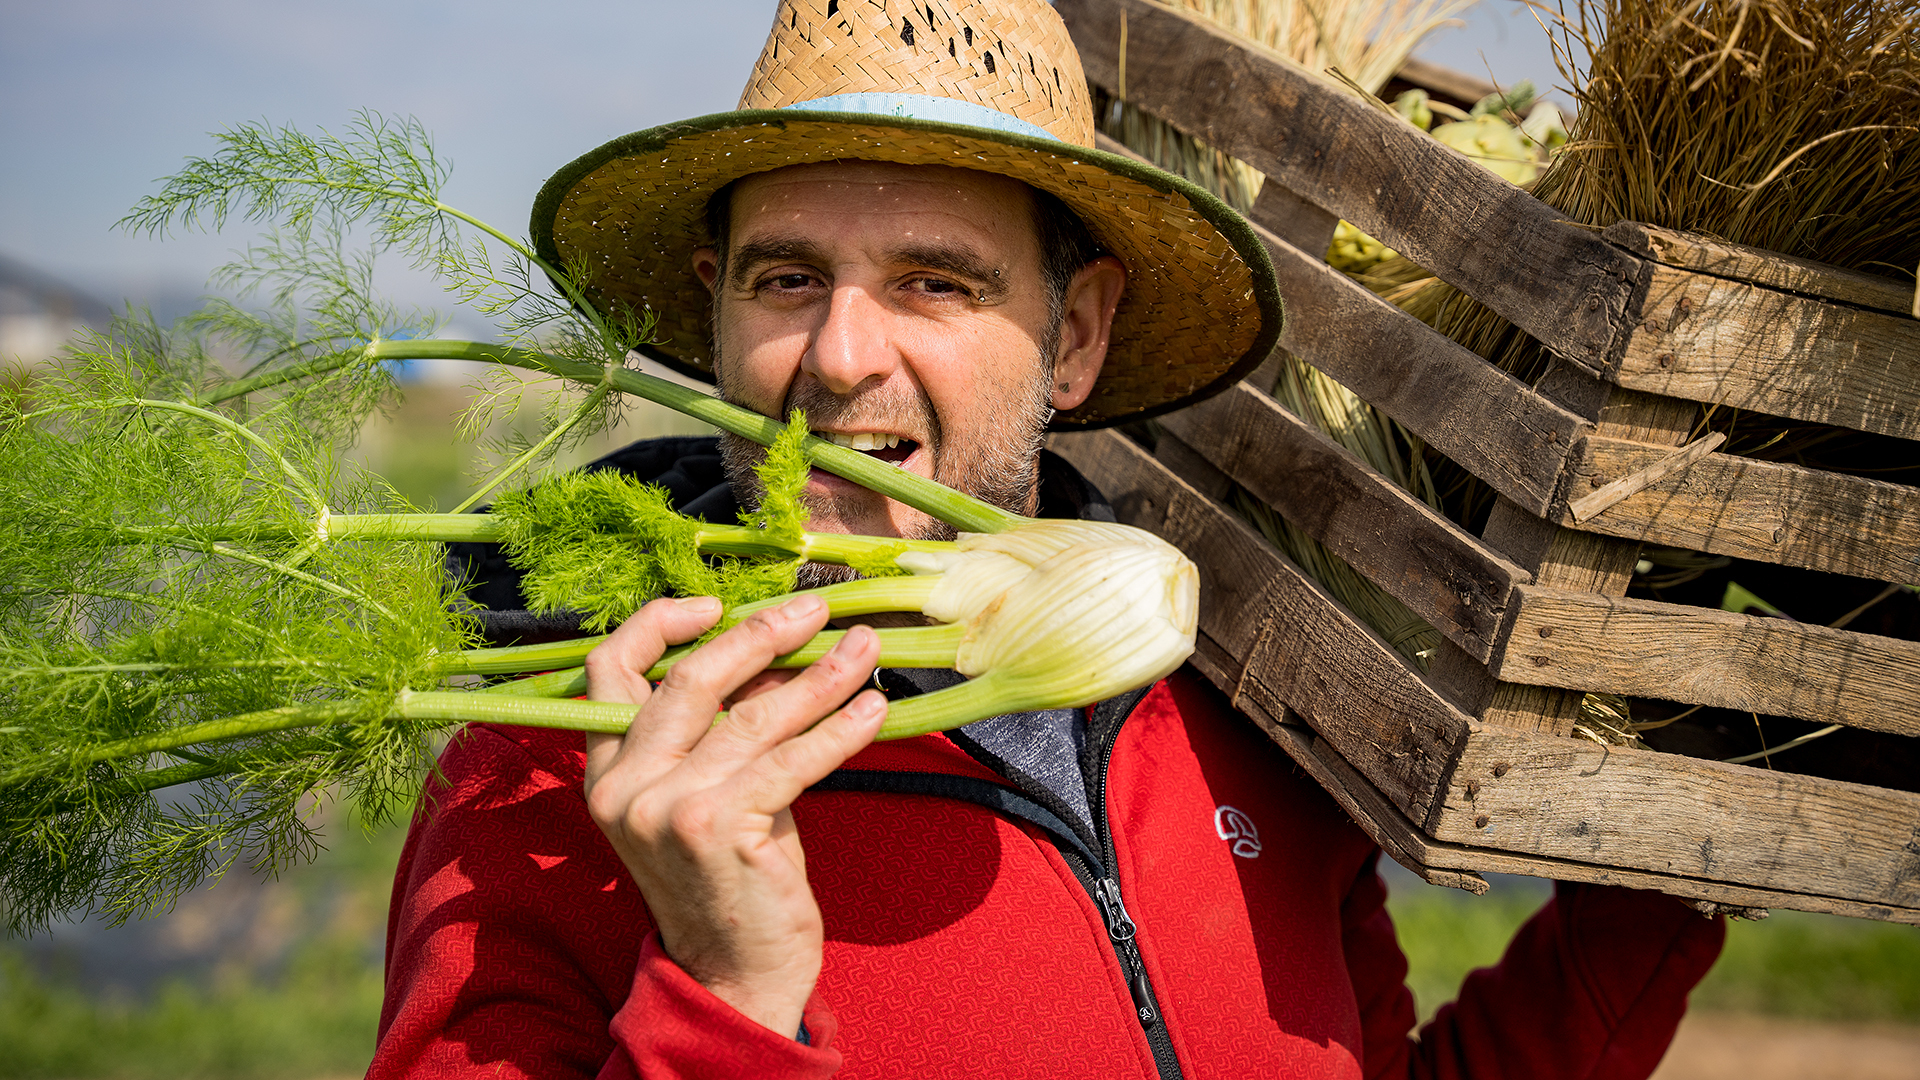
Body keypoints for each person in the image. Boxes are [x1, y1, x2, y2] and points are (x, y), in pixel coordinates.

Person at [369, 1, 1724, 1077]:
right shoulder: (559, 777)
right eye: (789, 279)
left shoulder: (1240, 704)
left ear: (1073, 338)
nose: (839, 355)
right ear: (716, 311)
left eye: (934, 282)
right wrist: (729, 998)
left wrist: (1667, 875)